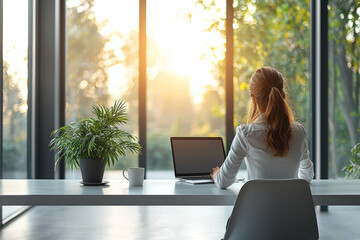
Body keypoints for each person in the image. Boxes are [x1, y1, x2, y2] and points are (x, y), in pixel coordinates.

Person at [210, 66, 314, 189]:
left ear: (253, 98)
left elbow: (223, 181)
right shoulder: (299, 133)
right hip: (291, 208)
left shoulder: (245, 134)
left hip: (257, 209)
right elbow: (307, 176)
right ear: (283, 95)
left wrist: (217, 174)